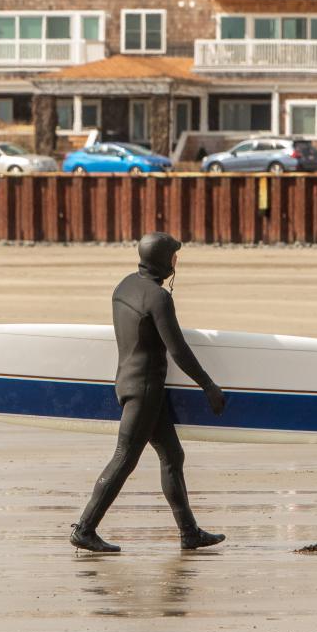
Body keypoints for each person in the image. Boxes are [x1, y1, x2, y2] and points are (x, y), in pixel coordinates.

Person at [71, 232, 226, 553]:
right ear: (163, 260)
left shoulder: (124, 286)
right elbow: (178, 349)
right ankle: (84, 529)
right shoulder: (158, 298)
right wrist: (208, 385)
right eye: (174, 256)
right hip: (144, 390)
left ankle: (189, 533)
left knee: (172, 456)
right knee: (124, 457)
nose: (176, 262)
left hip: (128, 382)